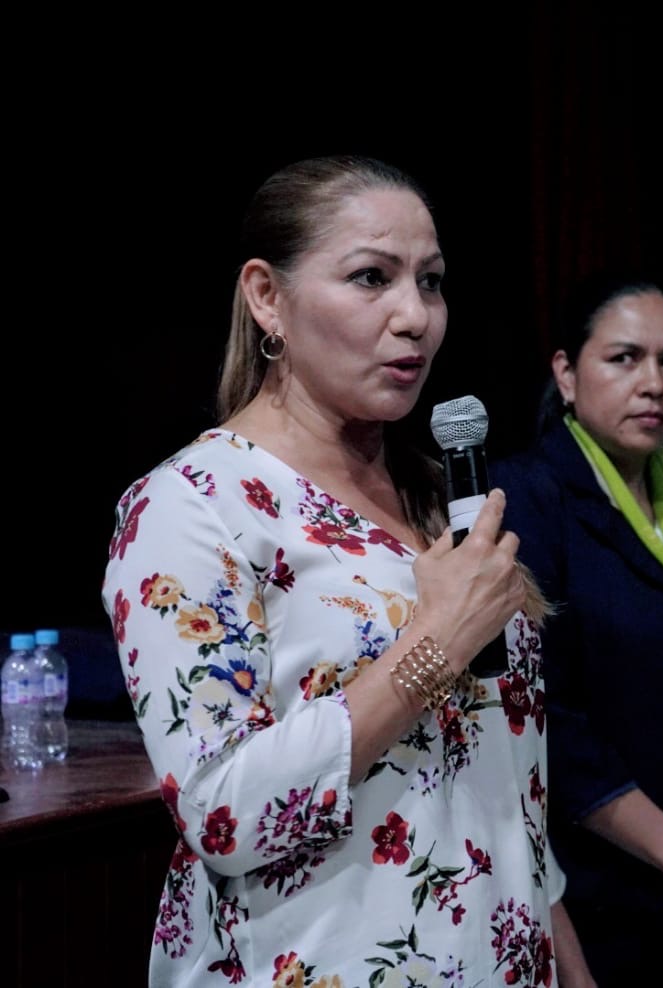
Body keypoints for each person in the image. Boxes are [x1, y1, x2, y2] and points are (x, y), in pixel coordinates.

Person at [101, 155, 594, 987]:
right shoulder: (192, 507)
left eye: (431, 282)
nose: (415, 317)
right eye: (372, 278)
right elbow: (224, 815)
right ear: (267, 297)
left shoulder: (434, 498)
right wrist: (436, 643)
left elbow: (507, 786)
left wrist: (565, 965)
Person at [492, 273, 663, 986]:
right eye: (625, 358)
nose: (654, 384)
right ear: (566, 373)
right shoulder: (528, 497)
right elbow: (546, 717)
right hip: (590, 896)